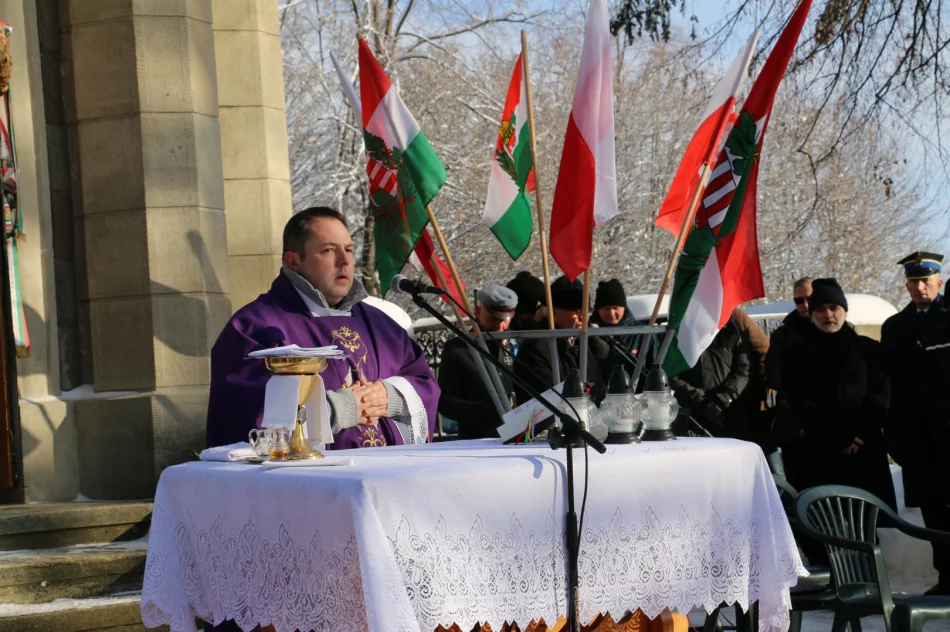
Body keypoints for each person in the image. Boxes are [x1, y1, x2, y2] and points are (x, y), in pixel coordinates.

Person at [206, 207, 440, 452]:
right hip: (313, 483)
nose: (345, 260)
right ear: (294, 262)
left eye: (348, 249)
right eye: (328, 250)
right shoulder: (255, 327)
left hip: (387, 476)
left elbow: (425, 382)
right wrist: (337, 408)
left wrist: (390, 396)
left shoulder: (382, 325)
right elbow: (244, 415)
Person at [777, 278, 895, 555]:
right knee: (823, 523)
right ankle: (832, 585)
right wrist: (838, 435)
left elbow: (881, 396)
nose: (828, 314)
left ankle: (870, 581)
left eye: (834, 307)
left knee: (865, 522)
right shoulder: (798, 355)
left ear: (844, 310)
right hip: (821, 449)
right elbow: (801, 402)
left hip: (863, 449)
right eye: (820, 309)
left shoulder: (869, 350)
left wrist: (859, 434)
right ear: (811, 312)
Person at [883, 251, 948, 594]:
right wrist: (894, 437)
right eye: (914, 280)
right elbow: (889, 384)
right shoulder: (895, 328)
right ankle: (946, 577)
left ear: (940, 280)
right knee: (933, 510)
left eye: (927, 280)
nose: (920, 287)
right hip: (917, 436)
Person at [437, 284, 518, 439]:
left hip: (519, 439)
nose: (500, 326)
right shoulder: (458, 349)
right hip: (478, 440)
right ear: (479, 312)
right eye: (494, 318)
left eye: (506, 319)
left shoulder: (519, 344)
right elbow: (445, 402)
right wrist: (486, 410)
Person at [513, 275, 607, 406]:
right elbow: (549, 399)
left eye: (587, 311)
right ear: (554, 312)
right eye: (577, 311)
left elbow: (600, 391)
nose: (583, 317)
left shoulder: (582, 343)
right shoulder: (536, 348)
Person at [669, 314, 751, 437]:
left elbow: (744, 369)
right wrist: (697, 397)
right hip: (692, 416)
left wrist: (722, 399)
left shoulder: (732, 330)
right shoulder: (681, 332)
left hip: (727, 413)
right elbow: (670, 372)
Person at [590, 278, 656, 384]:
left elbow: (655, 369)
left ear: (624, 307)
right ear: (598, 310)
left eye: (615, 308)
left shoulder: (643, 334)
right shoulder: (588, 335)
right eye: (606, 309)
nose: (611, 314)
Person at [765, 277, 812, 392]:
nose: (805, 305)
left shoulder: (837, 329)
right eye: (799, 301)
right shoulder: (782, 335)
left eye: (809, 299)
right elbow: (773, 374)